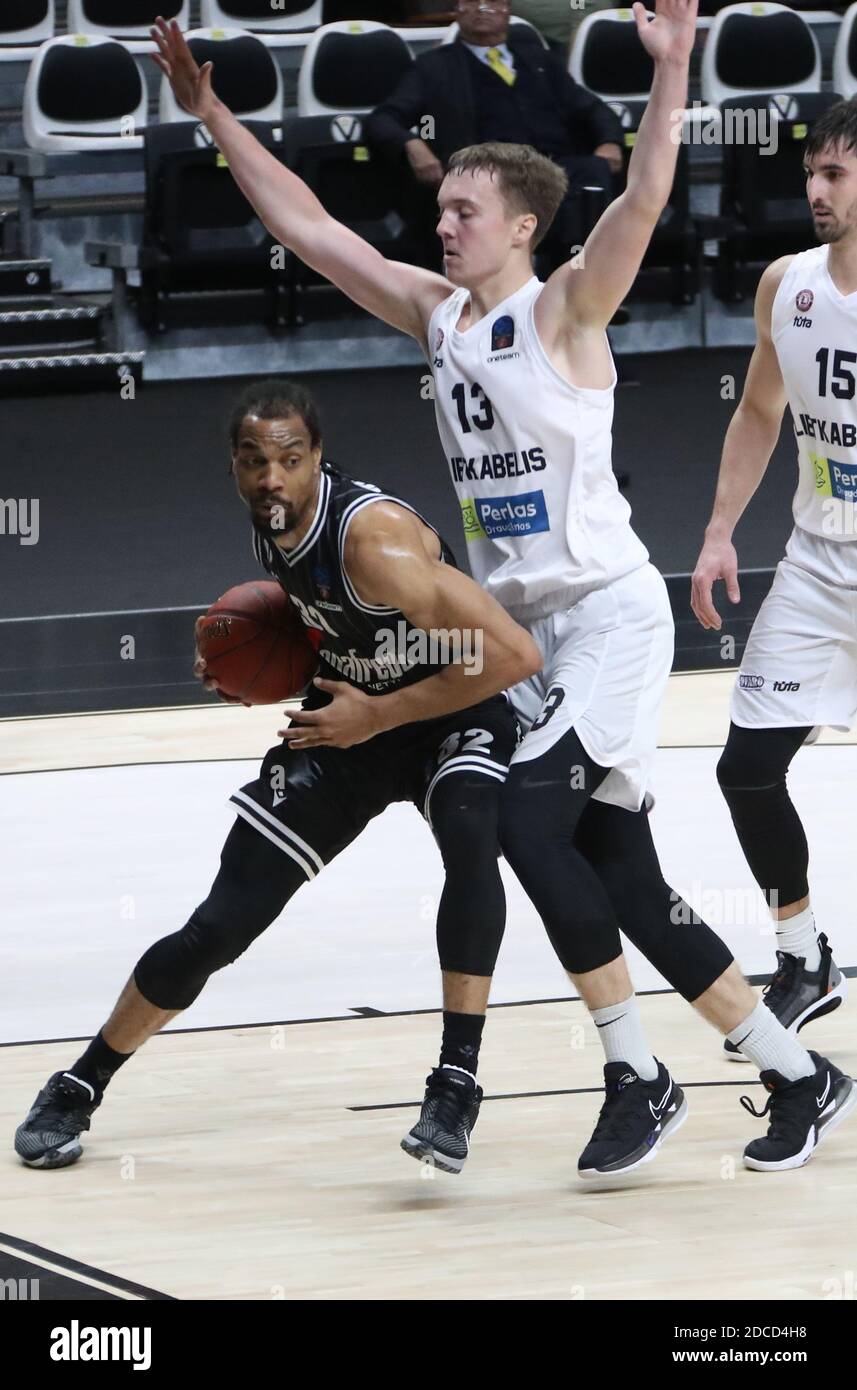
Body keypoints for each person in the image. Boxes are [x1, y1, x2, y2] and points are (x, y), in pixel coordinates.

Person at [142, 5, 856, 1176]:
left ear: (521, 226)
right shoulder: (438, 317)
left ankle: (635, 1071)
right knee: (617, 868)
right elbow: (315, 230)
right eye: (440, 210)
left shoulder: (565, 307)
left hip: (607, 619)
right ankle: (796, 1070)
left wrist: (670, 69)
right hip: (521, 632)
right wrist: (213, 115)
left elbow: (641, 199)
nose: (442, 222)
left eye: (463, 210)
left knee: (524, 820)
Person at [14, 378, 539, 1175]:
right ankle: (79, 1082)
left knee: (471, 840)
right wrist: (245, 658)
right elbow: (315, 619)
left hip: (452, 707)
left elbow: (510, 657)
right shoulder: (271, 527)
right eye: (255, 461)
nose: (272, 478)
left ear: (317, 460)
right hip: (347, 715)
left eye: (289, 460)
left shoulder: (376, 543)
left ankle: (455, 1082)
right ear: (234, 468)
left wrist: (379, 715)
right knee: (224, 919)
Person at [691, 99, 857, 1061]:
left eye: (834, 174)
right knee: (744, 771)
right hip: (816, 561)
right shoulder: (785, 286)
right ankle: (803, 958)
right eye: (810, 173)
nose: (813, 190)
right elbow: (758, 412)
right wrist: (718, 531)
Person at [364, 0, 623, 273]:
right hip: (485, 172)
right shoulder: (434, 67)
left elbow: (592, 108)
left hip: (553, 167)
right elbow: (382, 119)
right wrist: (413, 143)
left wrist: (610, 140)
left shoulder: (540, 61)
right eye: (472, 2)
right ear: (458, 11)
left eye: (492, 2)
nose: (483, 8)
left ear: (507, 11)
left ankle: (582, 285)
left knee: (593, 173)